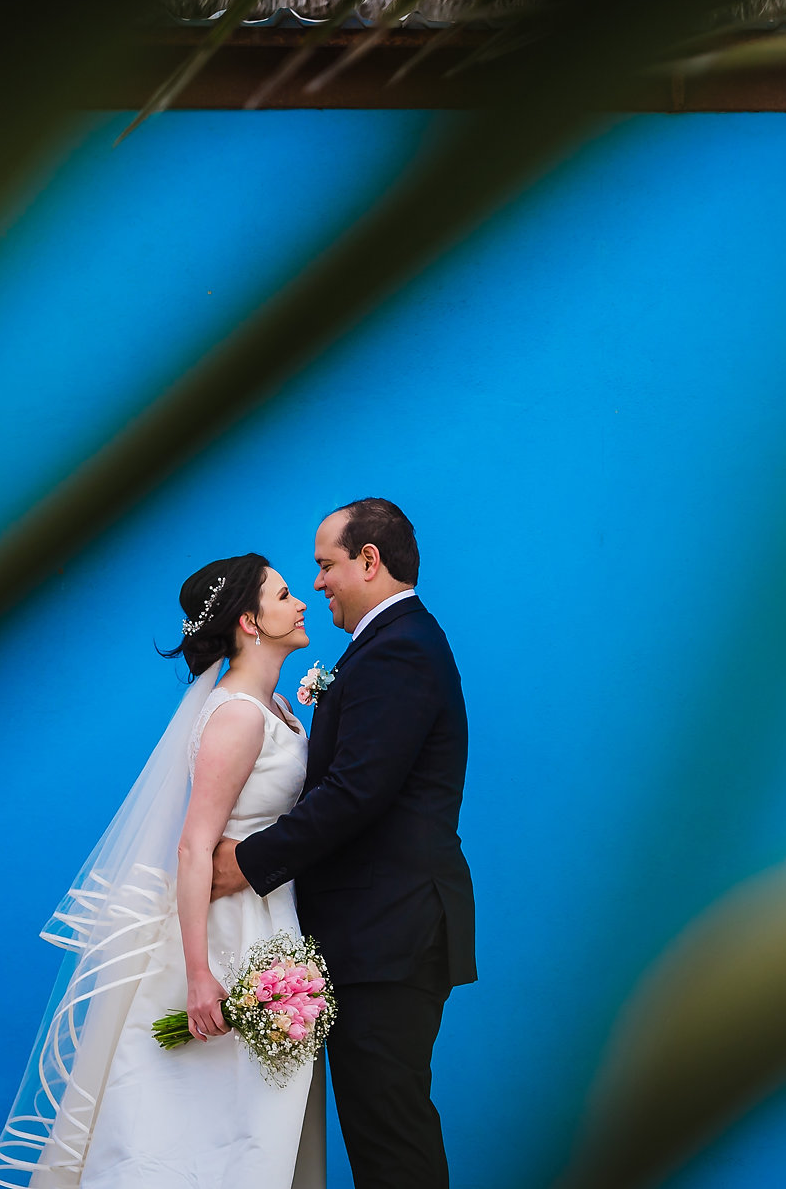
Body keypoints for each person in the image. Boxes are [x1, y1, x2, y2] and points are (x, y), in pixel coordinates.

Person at [0, 554, 325, 1189]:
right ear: (250, 622)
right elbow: (195, 847)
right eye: (284, 595)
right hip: (228, 938)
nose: (301, 602)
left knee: (253, 1121)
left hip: (270, 924)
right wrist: (199, 976)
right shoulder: (237, 715)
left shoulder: (275, 705)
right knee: (208, 1122)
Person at [212, 498, 477, 1189]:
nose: (319, 582)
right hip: (377, 934)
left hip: (390, 935)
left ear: (369, 560)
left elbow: (357, 792)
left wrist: (245, 861)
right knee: (380, 1130)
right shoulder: (391, 646)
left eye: (326, 565)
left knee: (390, 1138)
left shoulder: (401, 651)